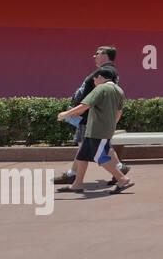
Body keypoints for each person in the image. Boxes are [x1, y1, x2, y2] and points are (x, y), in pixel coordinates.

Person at [53, 46, 131, 187]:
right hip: (90, 117)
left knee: (96, 152)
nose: (94, 56)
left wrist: (69, 113)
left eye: (98, 53)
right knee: (86, 147)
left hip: (90, 118)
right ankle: (76, 179)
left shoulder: (105, 76)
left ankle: (120, 175)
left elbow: (90, 101)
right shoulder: (109, 76)